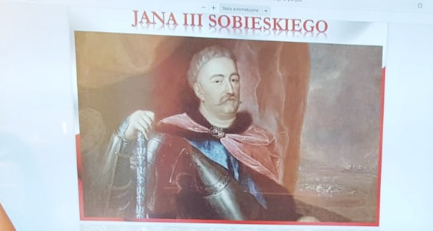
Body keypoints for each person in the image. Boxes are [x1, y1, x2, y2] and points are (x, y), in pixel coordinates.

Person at [101, 44, 297, 221]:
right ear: (199, 91)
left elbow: (274, 205)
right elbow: (122, 201)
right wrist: (125, 136)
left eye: (234, 79)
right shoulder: (168, 133)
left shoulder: (259, 140)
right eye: (218, 81)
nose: (230, 89)